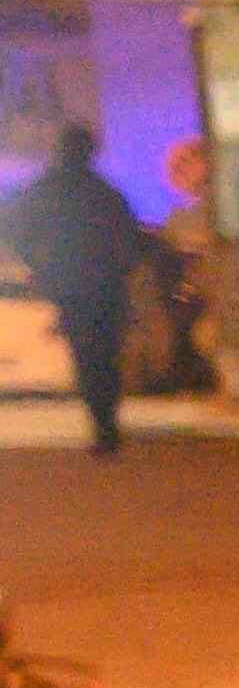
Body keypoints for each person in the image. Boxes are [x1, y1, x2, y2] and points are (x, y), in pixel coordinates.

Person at [12, 131, 154, 458]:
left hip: (72, 284)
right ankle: (106, 423)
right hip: (104, 284)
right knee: (106, 353)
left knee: (87, 353)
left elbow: (18, 230)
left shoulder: (45, 191)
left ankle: (102, 423)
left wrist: (40, 264)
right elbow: (129, 237)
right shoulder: (103, 193)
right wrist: (124, 268)